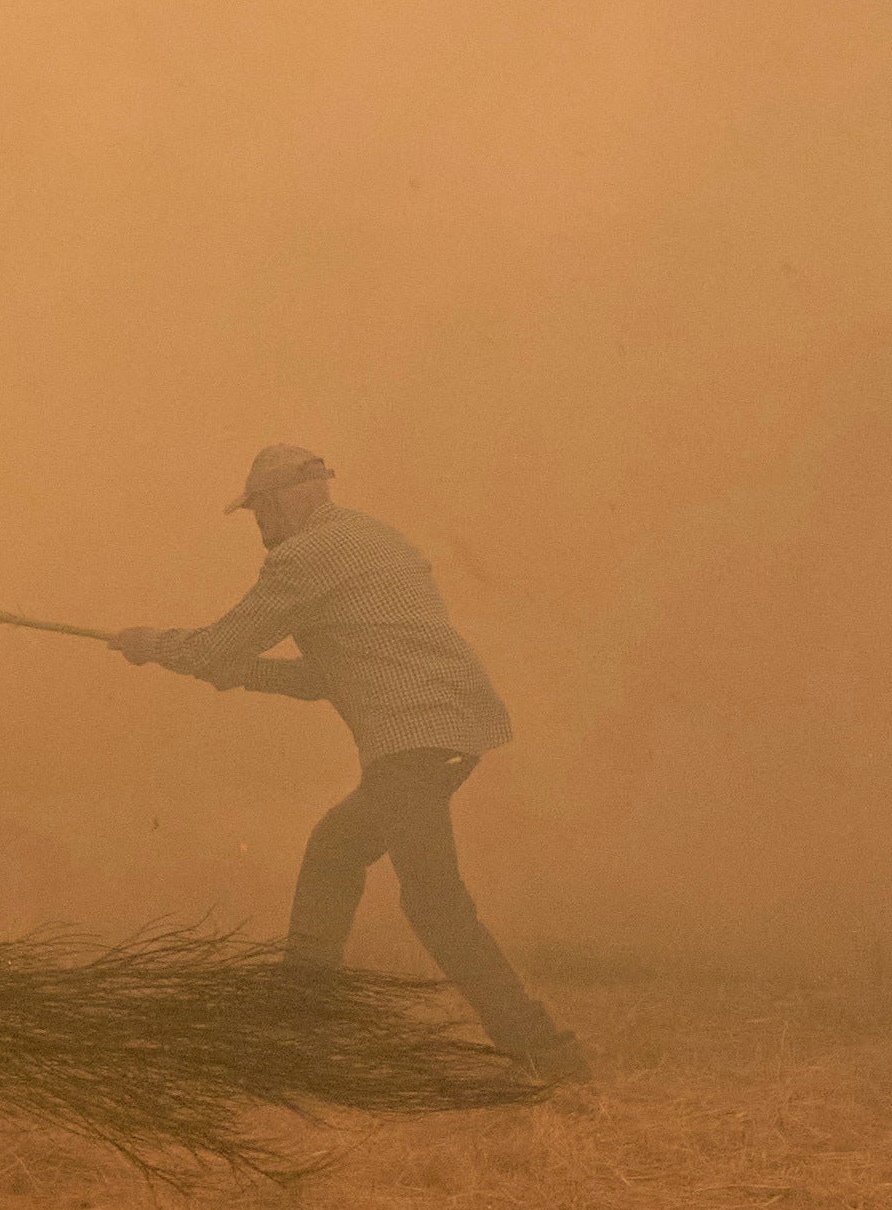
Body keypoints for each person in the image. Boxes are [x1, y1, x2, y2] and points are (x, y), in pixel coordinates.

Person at [113, 444, 583, 1083]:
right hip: (453, 732)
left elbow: (217, 646)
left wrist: (153, 646)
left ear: (290, 498)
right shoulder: (375, 540)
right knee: (335, 852)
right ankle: (304, 1017)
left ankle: (540, 1046)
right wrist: (240, 672)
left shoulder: (305, 557)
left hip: (410, 741)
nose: (259, 525)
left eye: (259, 509)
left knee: (435, 904)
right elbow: (321, 677)